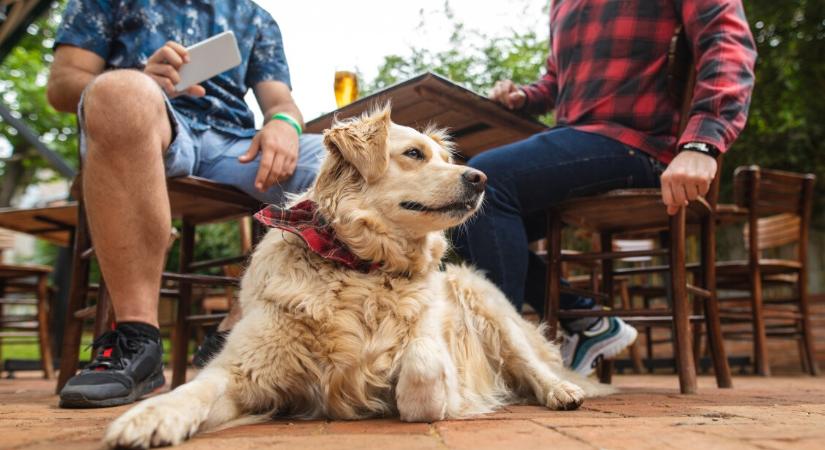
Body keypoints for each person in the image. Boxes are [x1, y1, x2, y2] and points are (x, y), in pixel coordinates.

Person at [454, 0, 756, 375]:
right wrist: (524, 98)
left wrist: (702, 143)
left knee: (489, 181)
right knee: (462, 209)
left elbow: (728, 45)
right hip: (577, 142)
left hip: (641, 145)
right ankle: (587, 321)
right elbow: (555, 82)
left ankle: (497, 364)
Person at [47, 0, 324, 407]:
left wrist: (283, 124)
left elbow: (280, 101)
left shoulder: (256, 17)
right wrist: (139, 78)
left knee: (339, 158)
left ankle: (243, 324)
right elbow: (62, 86)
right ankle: (136, 340)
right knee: (119, 91)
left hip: (232, 144)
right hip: (148, 124)